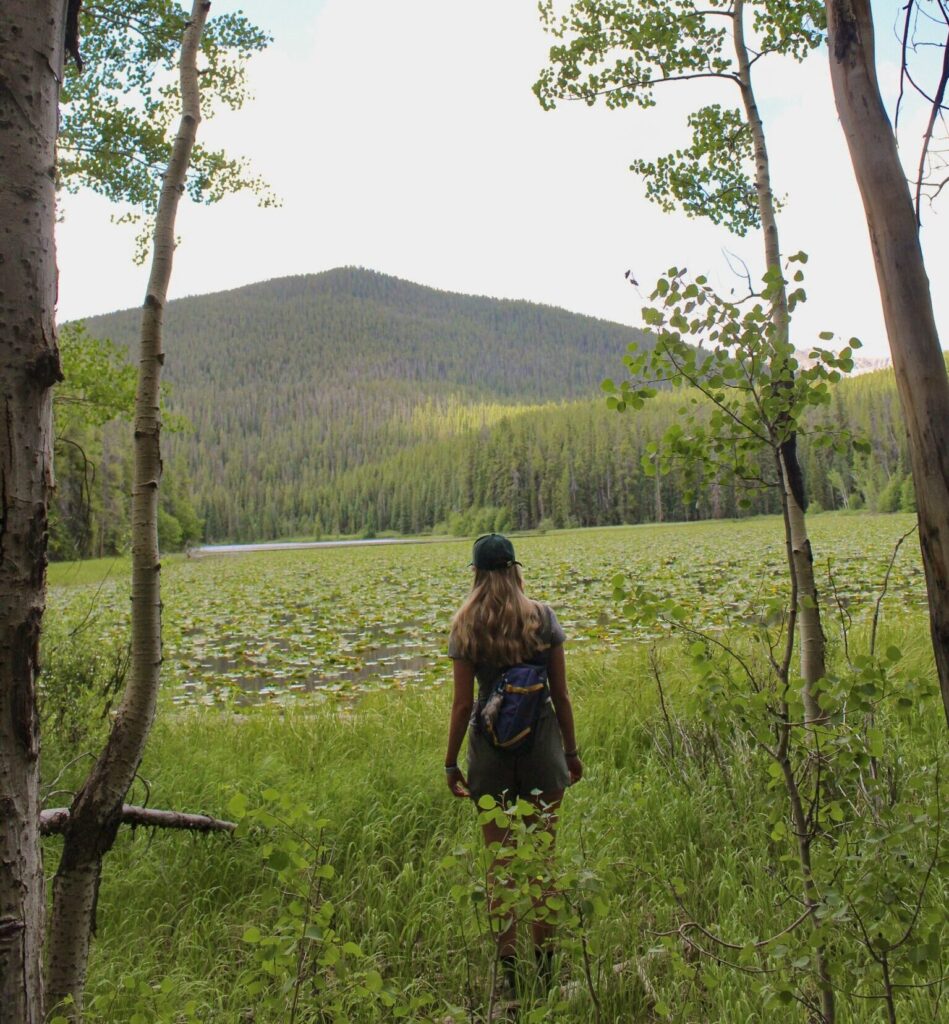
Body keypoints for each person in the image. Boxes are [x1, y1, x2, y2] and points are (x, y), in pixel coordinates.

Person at [444, 533, 583, 996]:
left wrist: (450, 764)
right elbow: (561, 695)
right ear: (515, 568)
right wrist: (571, 753)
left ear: (477, 574)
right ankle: (545, 977)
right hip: (543, 752)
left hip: (490, 758)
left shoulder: (465, 624)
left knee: (499, 867)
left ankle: (512, 982)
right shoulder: (542, 617)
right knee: (543, 862)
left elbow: (463, 706)